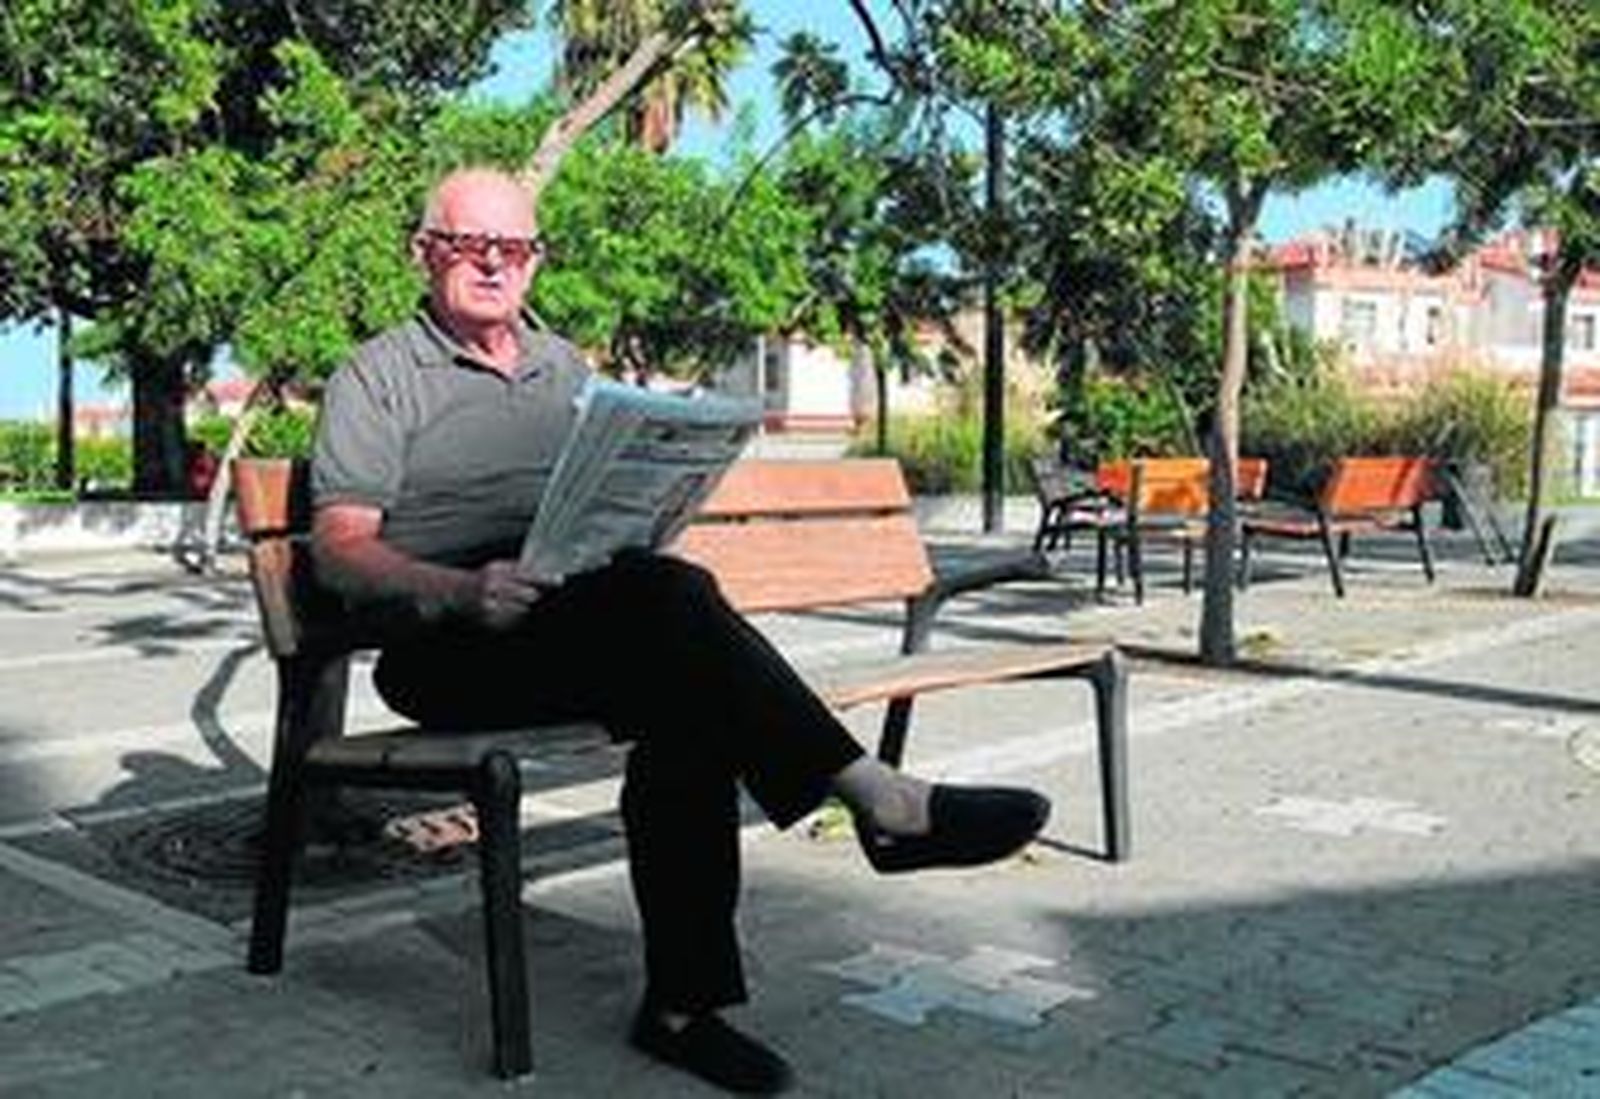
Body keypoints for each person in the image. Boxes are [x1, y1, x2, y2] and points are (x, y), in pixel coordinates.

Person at [310, 166, 1050, 1095]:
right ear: (425, 252)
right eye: (470, 245)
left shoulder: (564, 366)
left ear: (536, 259)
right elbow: (339, 553)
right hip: (446, 644)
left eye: (515, 248)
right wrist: (462, 590)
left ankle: (682, 1007)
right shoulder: (377, 377)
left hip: (574, 620)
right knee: (675, 611)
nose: (494, 266)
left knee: (682, 681)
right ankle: (878, 801)